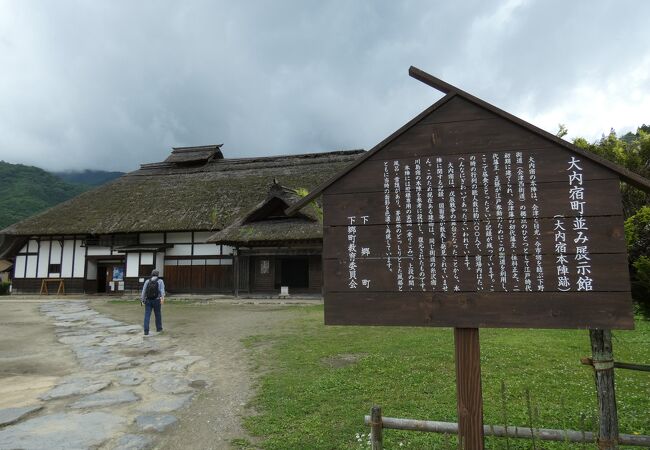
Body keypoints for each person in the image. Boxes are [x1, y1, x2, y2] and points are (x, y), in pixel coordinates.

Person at [141, 269, 165, 336]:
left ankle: (146, 331)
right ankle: (159, 329)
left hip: (148, 300)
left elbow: (143, 291)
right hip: (157, 300)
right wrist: (162, 299)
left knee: (147, 315)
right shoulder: (160, 281)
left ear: (152, 274)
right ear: (158, 274)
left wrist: (142, 300)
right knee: (158, 315)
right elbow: (162, 291)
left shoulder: (147, 281)